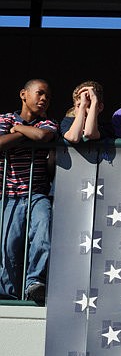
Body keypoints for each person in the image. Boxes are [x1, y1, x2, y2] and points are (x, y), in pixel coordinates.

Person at [0, 79, 57, 303]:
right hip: (8, 195)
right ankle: (9, 293)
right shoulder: (4, 119)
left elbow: (43, 137)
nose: (44, 99)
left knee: (43, 232)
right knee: (8, 245)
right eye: (39, 93)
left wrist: (18, 130)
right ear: (24, 94)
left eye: (48, 97)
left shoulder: (49, 123)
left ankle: (35, 282)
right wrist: (26, 133)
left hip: (36, 194)